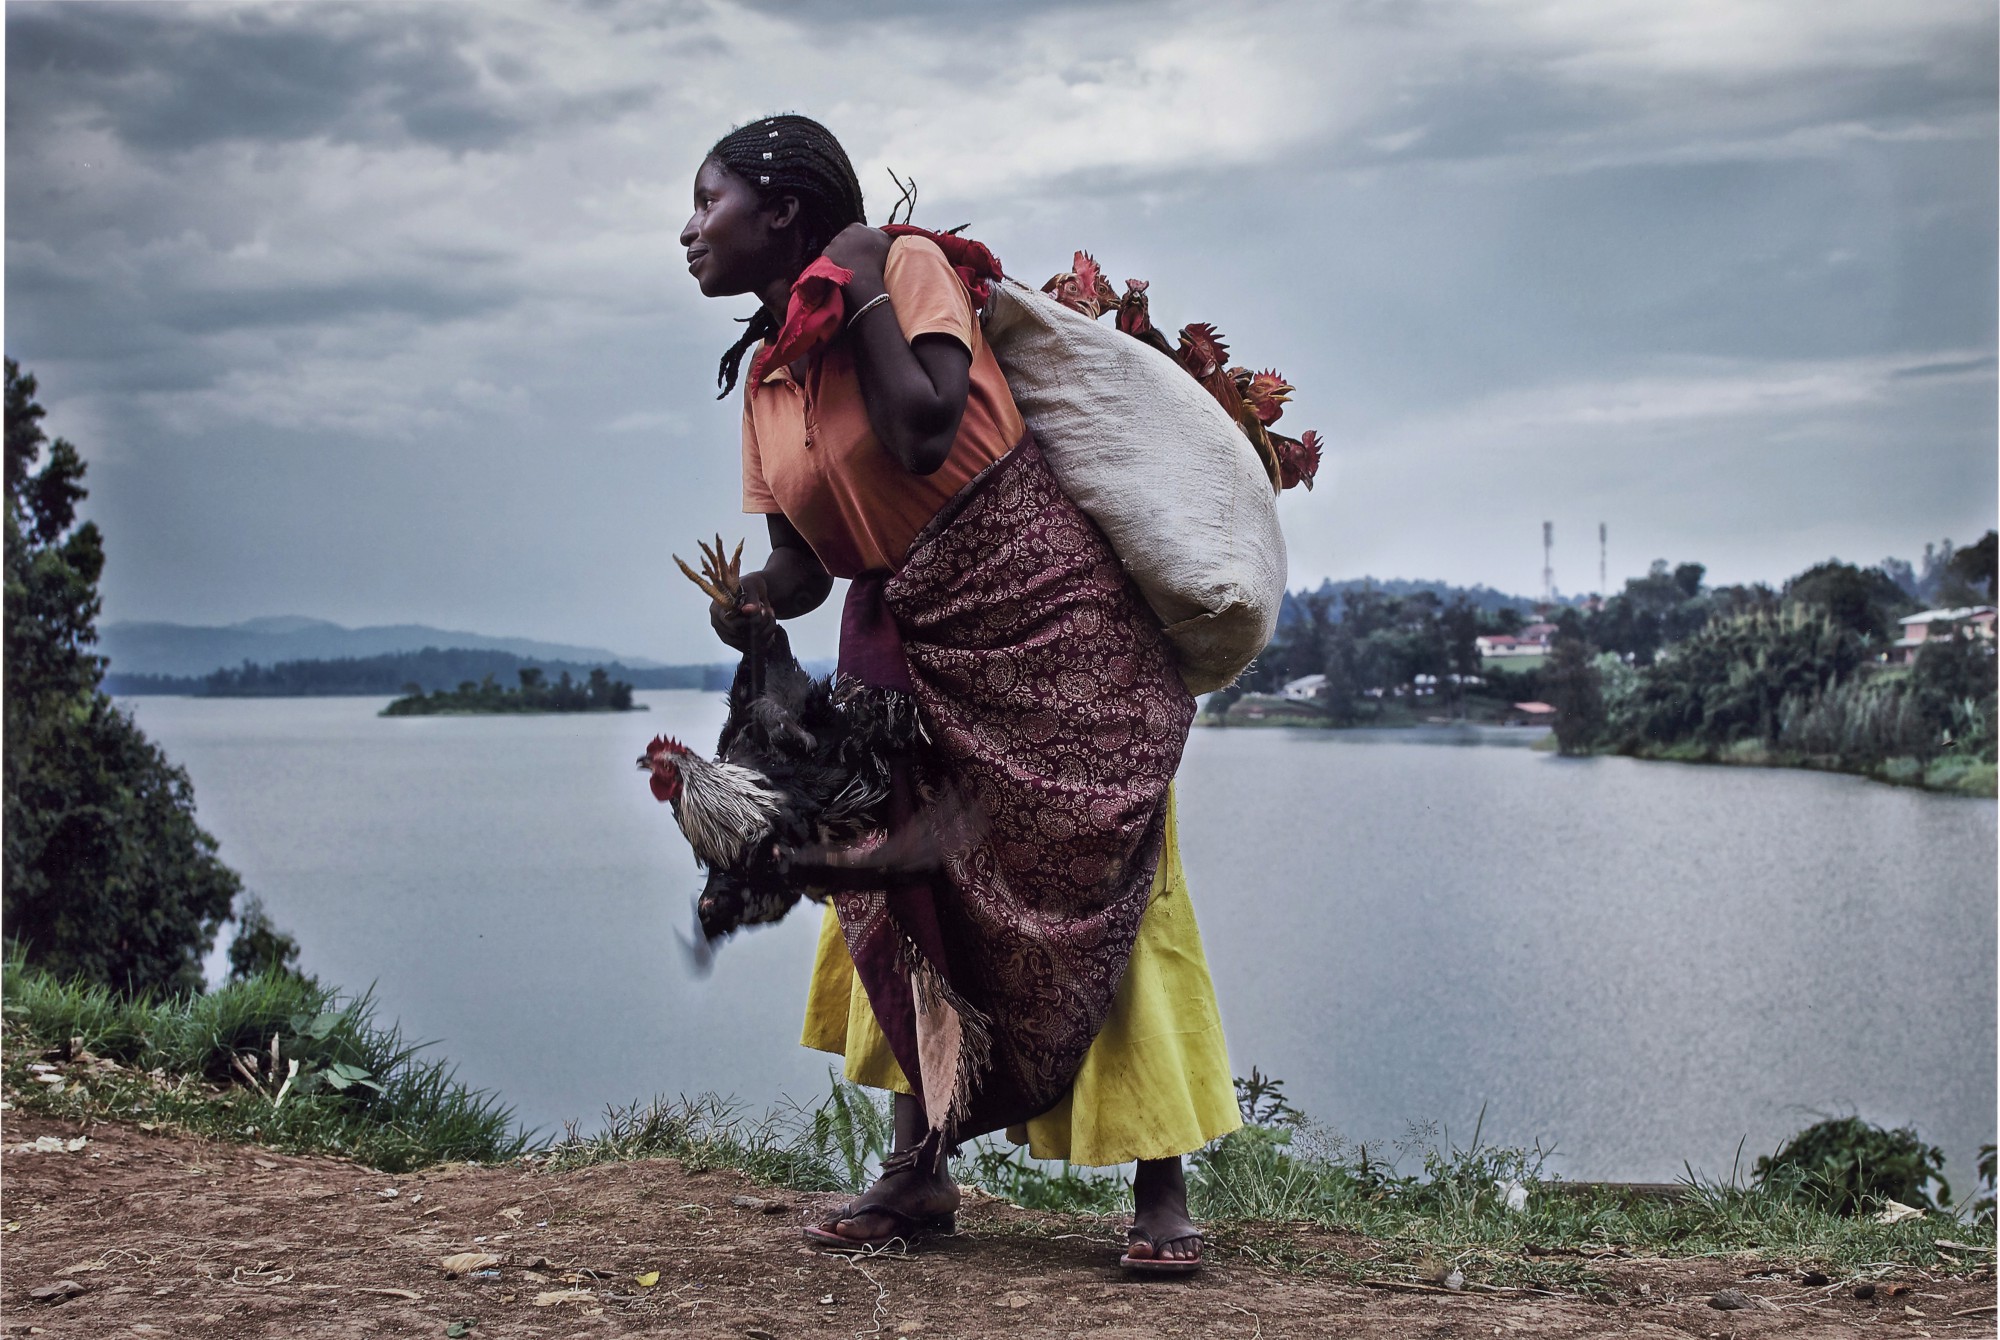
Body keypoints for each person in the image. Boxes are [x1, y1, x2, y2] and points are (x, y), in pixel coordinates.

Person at [680, 114, 1238, 1271]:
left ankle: (1160, 1182)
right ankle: (917, 1168)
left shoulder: (908, 268)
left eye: (705, 201)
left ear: (780, 210)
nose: (688, 229)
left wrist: (862, 276)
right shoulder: (768, 376)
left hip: (1037, 609)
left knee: (1100, 865)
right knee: (895, 884)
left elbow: (925, 428)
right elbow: (803, 558)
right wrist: (751, 608)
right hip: (902, 634)